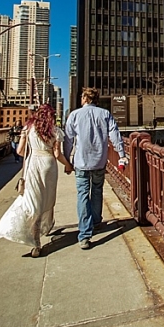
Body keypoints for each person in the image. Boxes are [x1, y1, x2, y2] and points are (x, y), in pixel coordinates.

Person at [0, 105, 72, 257]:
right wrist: (68, 165)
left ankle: (36, 244)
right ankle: (48, 224)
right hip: (49, 165)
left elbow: (20, 151)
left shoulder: (28, 128)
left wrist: (32, 153)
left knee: (34, 201)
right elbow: (57, 154)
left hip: (34, 164)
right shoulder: (55, 131)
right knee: (48, 198)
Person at [64, 87, 128, 250]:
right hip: (99, 160)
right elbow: (115, 135)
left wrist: (66, 161)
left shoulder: (75, 115)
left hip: (81, 161)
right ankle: (97, 221)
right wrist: (121, 154)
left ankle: (85, 234)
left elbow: (68, 140)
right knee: (97, 190)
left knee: (83, 194)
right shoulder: (105, 114)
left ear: (85, 98)